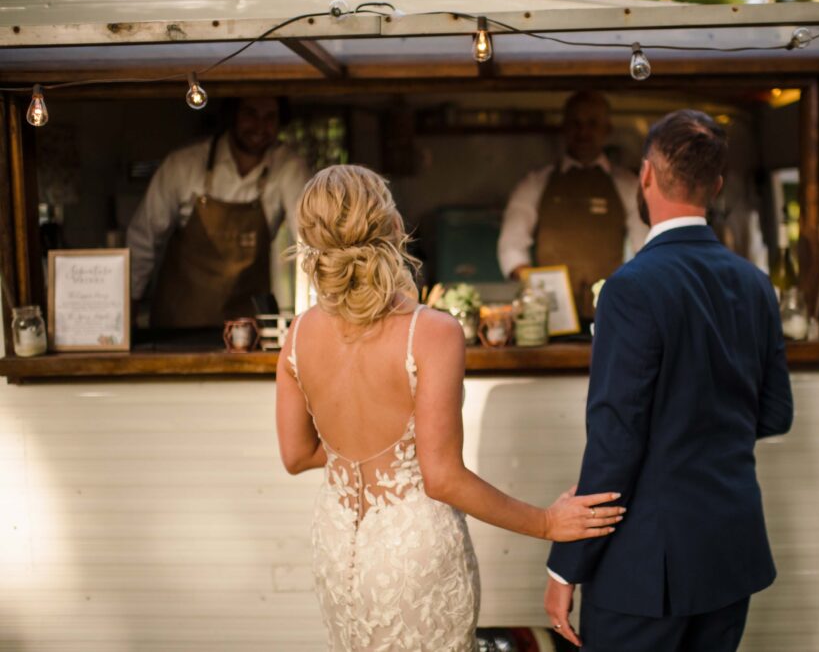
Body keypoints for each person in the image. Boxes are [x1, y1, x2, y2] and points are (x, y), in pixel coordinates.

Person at [275, 165, 626, 651]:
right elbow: (440, 477)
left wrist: (367, 458)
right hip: (412, 551)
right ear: (394, 227)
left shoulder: (297, 334)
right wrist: (546, 523)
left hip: (339, 547)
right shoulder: (431, 332)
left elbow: (296, 455)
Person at [544, 110, 794, 651]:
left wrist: (566, 568)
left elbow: (615, 443)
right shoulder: (756, 285)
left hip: (645, 569)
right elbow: (776, 414)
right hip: (730, 552)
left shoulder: (629, 289)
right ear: (717, 185)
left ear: (647, 176)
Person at [126, 97, 310, 328]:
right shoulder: (183, 165)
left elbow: (309, 240)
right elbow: (144, 239)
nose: (260, 126)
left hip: (247, 328)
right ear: (232, 115)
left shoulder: (288, 167)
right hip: (179, 322)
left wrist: (316, 313)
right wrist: (128, 304)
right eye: (250, 114)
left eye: (270, 117)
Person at [497, 91, 648, 316]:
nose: (583, 132)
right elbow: (511, 247)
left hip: (611, 311)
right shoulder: (535, 183)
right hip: (551, 315)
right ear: (565, 128)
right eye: (576, 124)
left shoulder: (628, 184)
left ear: (607, 129)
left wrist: (627, 289)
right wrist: (539, 289)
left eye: (592, 123)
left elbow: (645, 248)